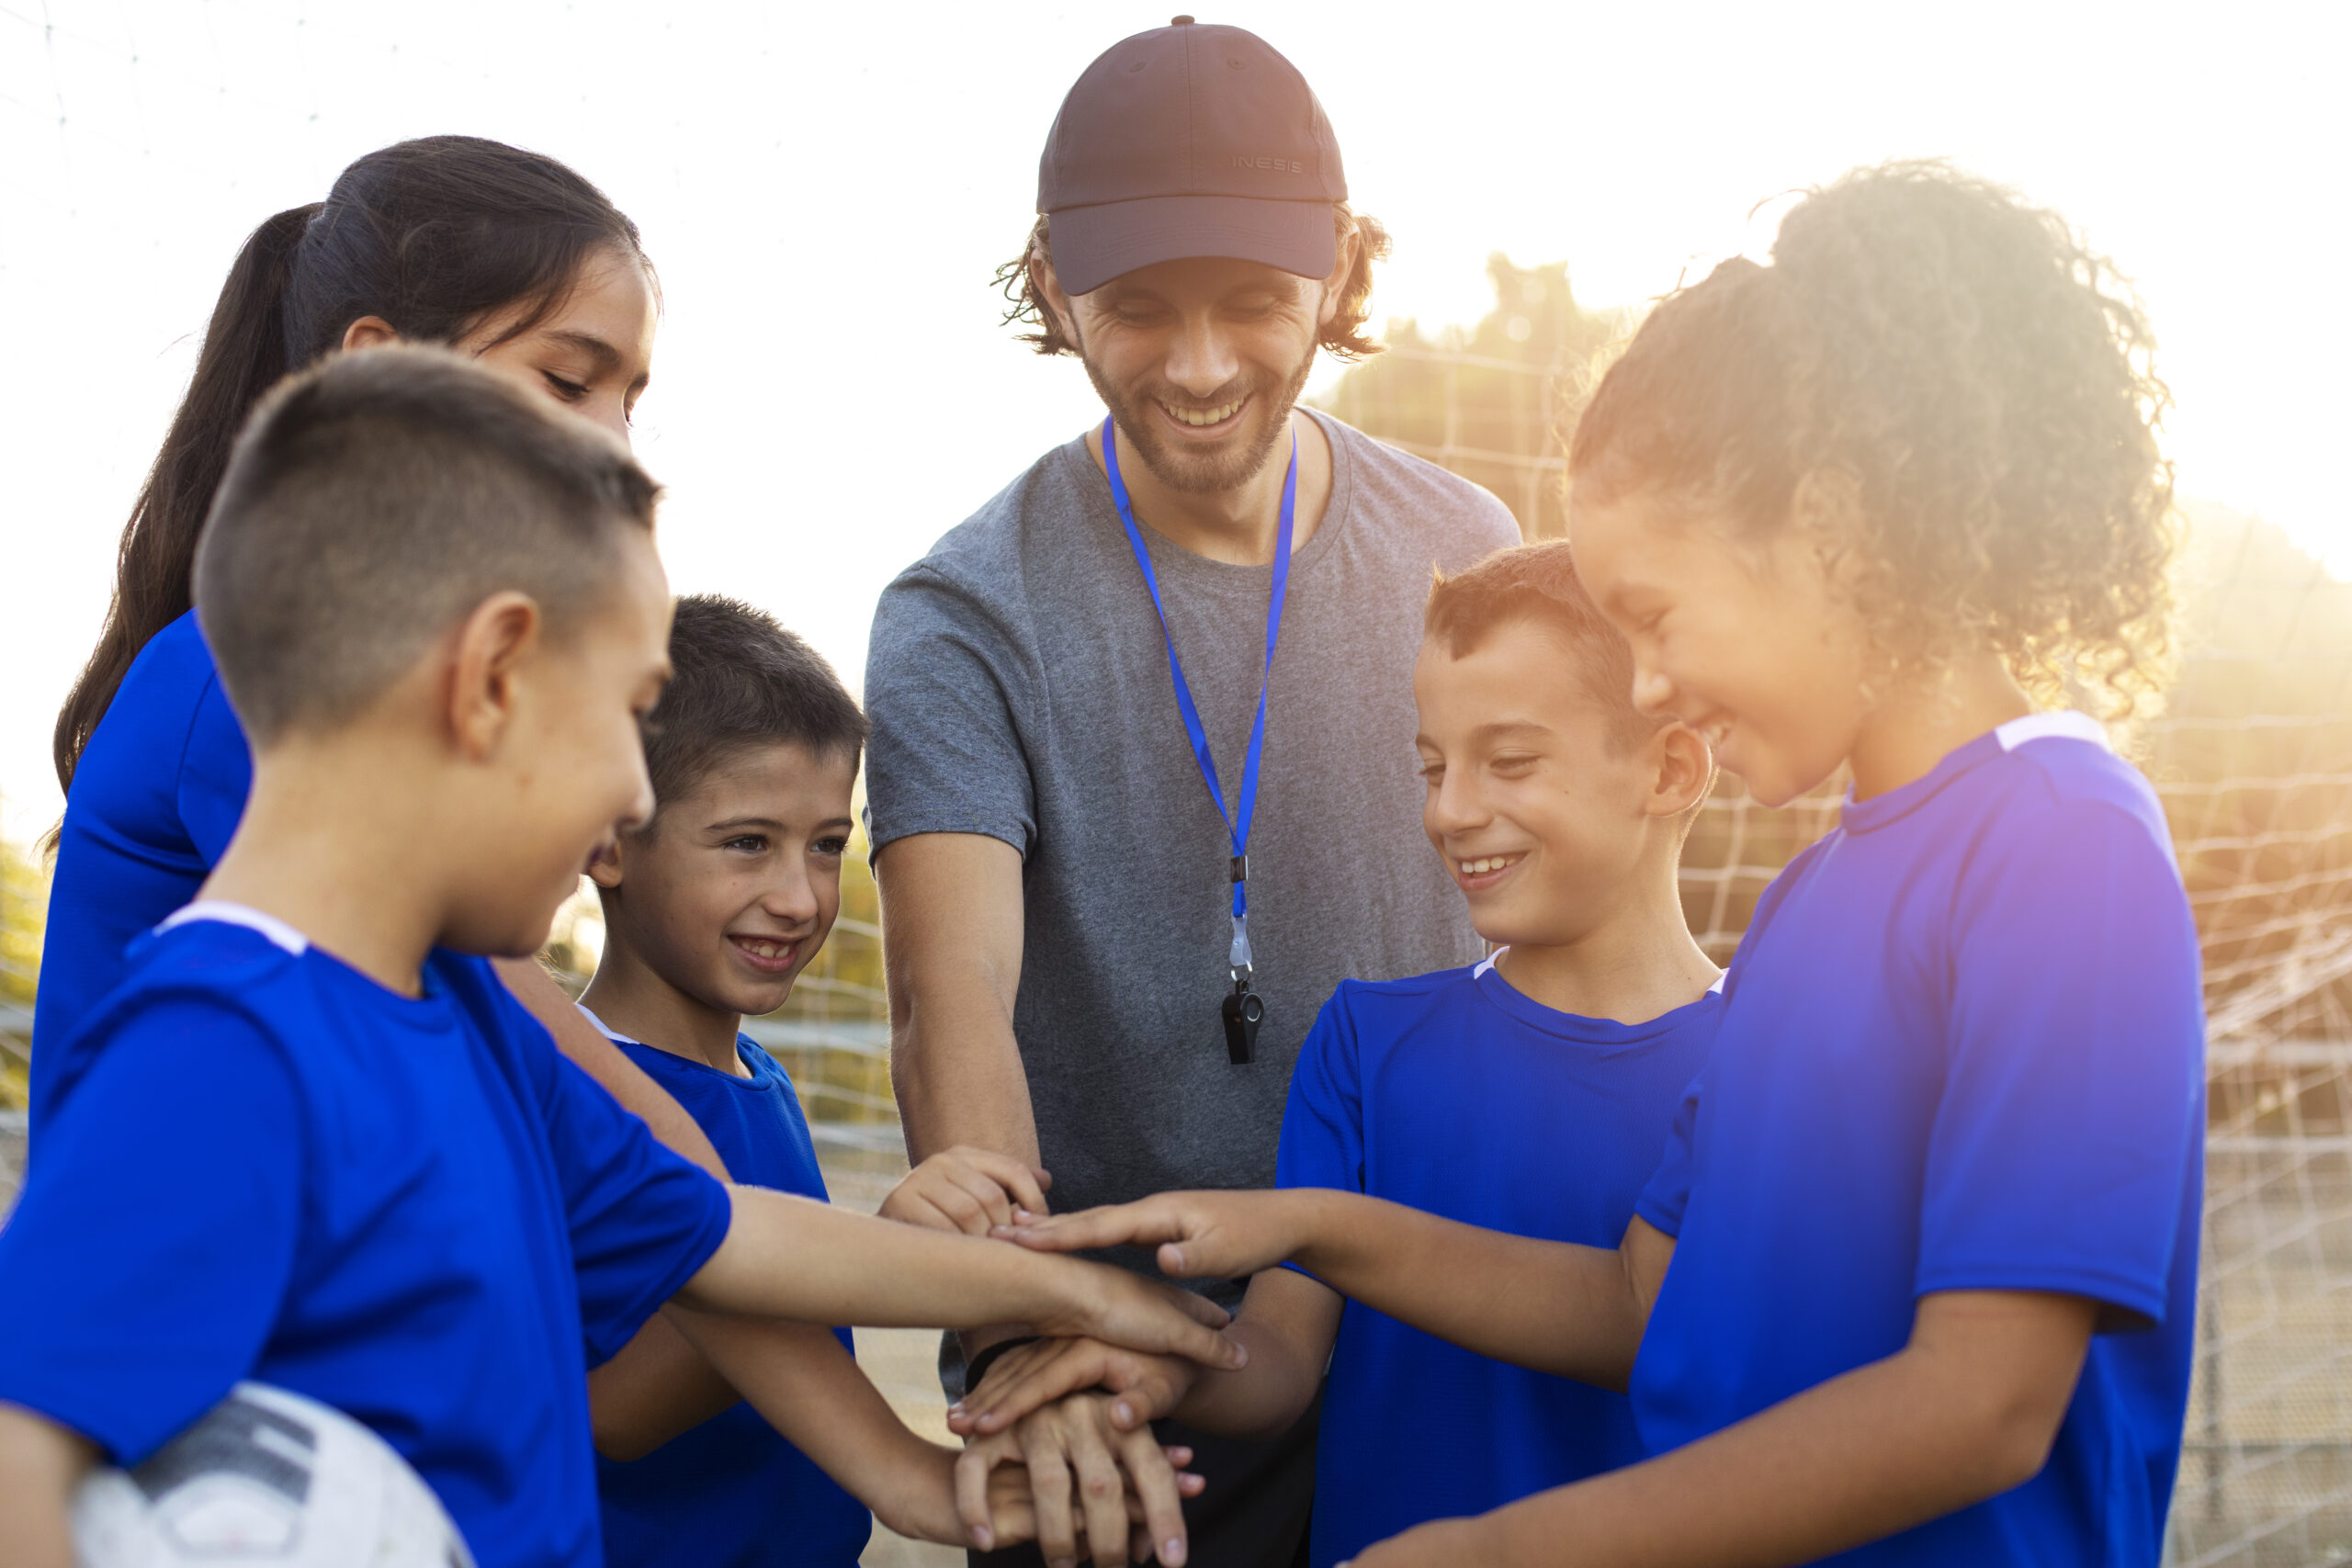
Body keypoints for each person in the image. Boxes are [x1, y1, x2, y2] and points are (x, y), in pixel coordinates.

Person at [989, 161, 2205, 1567]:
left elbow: (1983, 1404)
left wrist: (1501, 1550)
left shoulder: (2062, 843)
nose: (1648, 683)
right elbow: (1641, 1303)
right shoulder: (1811, 900)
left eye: (1656, 615)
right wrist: (1284, 1234)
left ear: (1831, 528)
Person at [0, 348, 1243, 1568]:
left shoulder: (472, 1022)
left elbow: (728, 1238)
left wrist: (1065, 1312)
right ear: (491, 680)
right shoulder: (217, 1047)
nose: (629, 797)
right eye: (626, 713)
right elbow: (23, 1459)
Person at [863, 21, 1518, 1564]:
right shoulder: (960, 614)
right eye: (1143, 308)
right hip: (1108, 1404)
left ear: (1339, 273)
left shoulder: (1466, 550)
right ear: (1052, 285)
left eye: (1255, 304)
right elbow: (951, 996)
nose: (1204, 365)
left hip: (1438, 1351)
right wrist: (1030, 1332)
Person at [950, 543, 1722, 1568]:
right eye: (1433, 767)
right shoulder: (1366, 1041)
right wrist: (1166, 1361)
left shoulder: (1771, 1063)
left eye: (1510, 762)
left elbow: (1677, 1337)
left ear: (1670, 770)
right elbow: (1278, 1353)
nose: (1448, 810)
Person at [33, 133, 721, 1175]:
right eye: (568, 382)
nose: (618, 445)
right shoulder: (249, 676)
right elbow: (577, 1099)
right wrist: (716, 1194)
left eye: (630, 402)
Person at [582, 595, 1205, 1568]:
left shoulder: (761, 1080)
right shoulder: (564, 1094)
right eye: (747, 842)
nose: (800, 898)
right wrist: (878, 1255)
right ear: (609, 841)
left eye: (827, 845)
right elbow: (607, 1410)